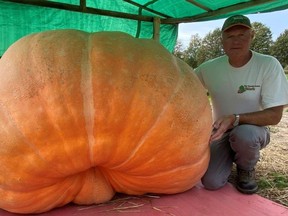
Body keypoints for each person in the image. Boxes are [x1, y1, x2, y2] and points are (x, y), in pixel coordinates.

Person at [195, 14, 288, 194]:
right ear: (222, 39)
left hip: (253, 131)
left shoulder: (268, 64)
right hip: (220, 132)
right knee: (211, 182)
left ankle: (246, 168)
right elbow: (184, 85)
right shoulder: (208, 68)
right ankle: (229, 153)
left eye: (242, 35)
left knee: (244, 134)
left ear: (252, 35)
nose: (235, 40)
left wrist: (235, 118)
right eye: (230, 36)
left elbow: (275, 116)